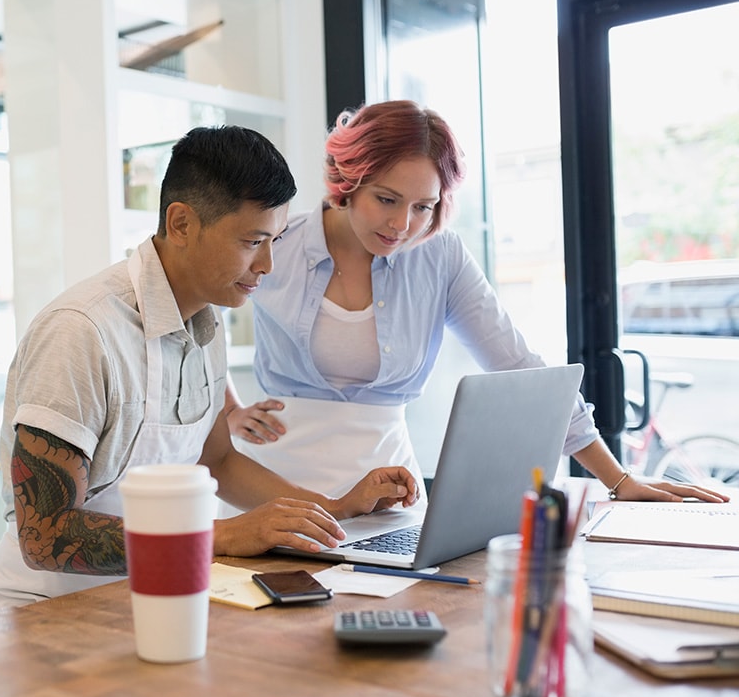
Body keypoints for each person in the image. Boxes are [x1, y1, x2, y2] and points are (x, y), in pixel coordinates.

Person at [0, 125, 420, 613]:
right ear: (181, 224)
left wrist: (329, 510)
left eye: (275, 240)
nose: (268, 265)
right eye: (253, 241)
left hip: (143, 599)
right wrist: (222, 535)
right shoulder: (80, 332)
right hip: (37, 611)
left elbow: (218, 462)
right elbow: (46, 536)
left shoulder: (207, 321)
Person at [225, 99, 729, 505]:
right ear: (349, 179)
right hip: (274, 486)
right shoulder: (280, 242)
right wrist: (227, 408)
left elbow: (521, 368)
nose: (402, 225)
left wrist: (617, 479)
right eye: (386, 198)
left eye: (423, 206)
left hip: (386, 494)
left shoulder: (439, 257)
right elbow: (197, 315)